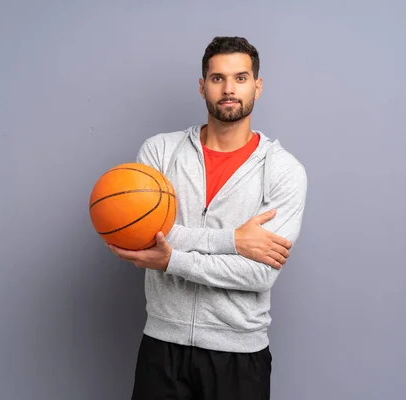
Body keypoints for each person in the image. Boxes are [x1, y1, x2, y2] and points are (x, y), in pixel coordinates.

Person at [108, 36, 308, 400]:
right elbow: (144, 233)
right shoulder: (160, 151)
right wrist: (233, 241)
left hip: (240, 355)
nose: (229, 89)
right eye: (217, 78)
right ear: (202, 86)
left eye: (241, 78)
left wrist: (172, 260)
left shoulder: (283, 170)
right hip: (162, 346)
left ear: (258, 86)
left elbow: (260, 274)